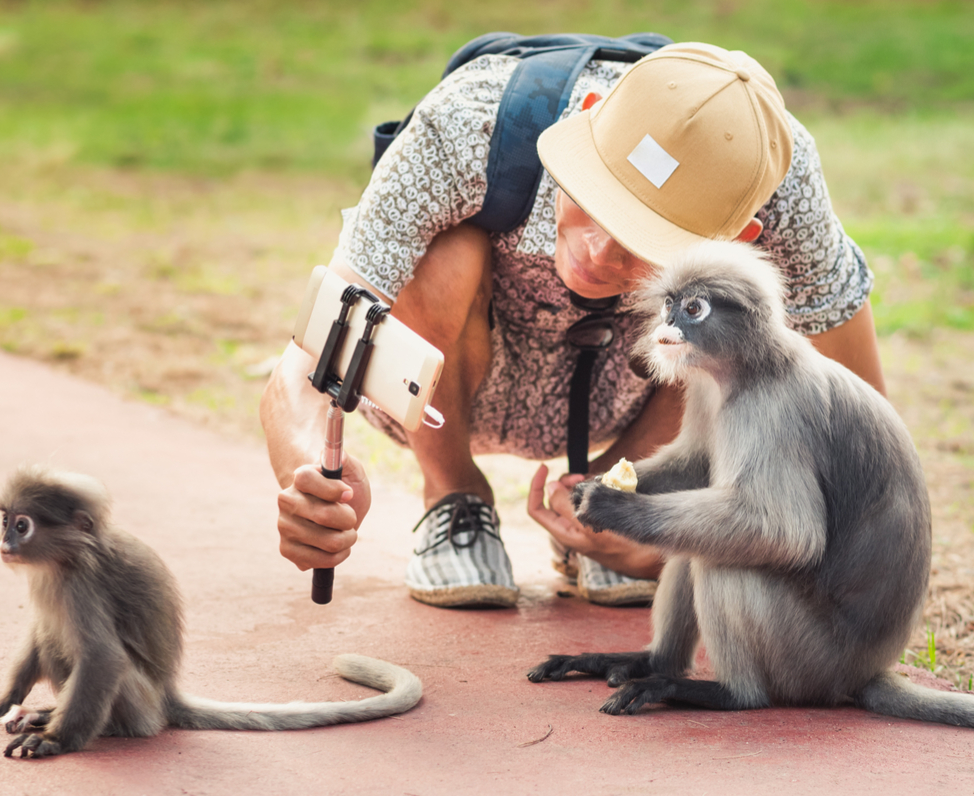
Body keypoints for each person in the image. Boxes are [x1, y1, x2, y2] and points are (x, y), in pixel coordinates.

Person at [260, 42, 886, 610]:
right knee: (442, 253)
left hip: (637, 389)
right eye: (595, 198)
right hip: (444, 387)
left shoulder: (781, 192)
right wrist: (310, 479)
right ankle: (454, 498)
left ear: (739, 234)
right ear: (581, 118)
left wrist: (678, 528)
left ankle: (615, 501)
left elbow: (861, 439)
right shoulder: (468, 123)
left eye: (644, 241)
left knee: (724, 303)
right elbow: (307, 358)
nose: (599, 253)